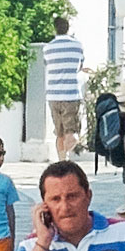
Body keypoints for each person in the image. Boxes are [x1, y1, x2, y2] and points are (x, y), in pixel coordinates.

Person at [34, 30, 88, 160]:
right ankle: (68, 155)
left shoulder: (48, 48)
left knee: (59, 133)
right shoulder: (77, 45)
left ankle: (62, 160)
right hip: (71, 95)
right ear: (67, 29)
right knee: (71, 132)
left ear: (55, 29)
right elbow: (79, 66)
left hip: (53, 95)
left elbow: (47, 65)